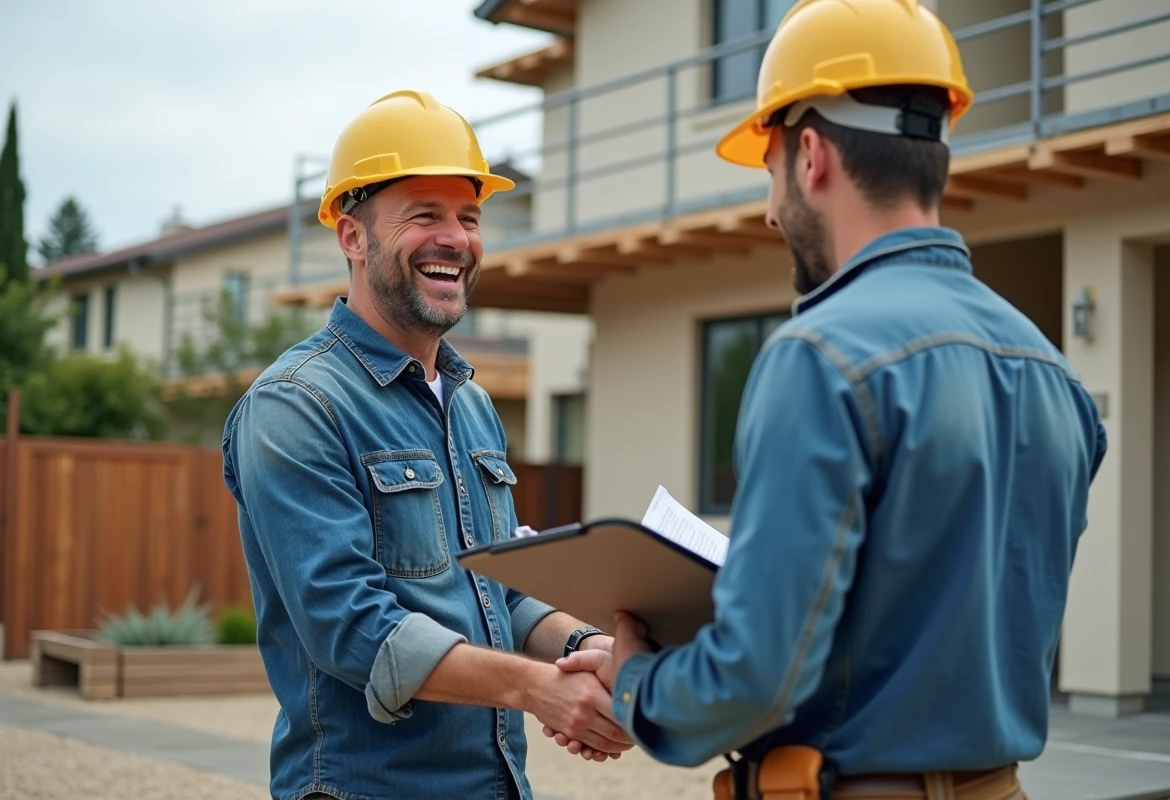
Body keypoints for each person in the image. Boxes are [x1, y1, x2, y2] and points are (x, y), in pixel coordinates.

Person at [556, 1, 1108, 798]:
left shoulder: (819, 357)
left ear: (810, 154)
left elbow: (753, 677)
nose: (771, 208)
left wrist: (640, 673)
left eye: (770, 171)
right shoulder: (1053, 373)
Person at [221, 89, 632, 800]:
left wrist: (586, 649)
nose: (457, 238)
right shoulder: (296, 405)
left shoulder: (470, 405)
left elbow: (491, 583)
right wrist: (538, 690)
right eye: (425, 215)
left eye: (470, 218)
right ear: (352, 236)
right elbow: (352, 626)